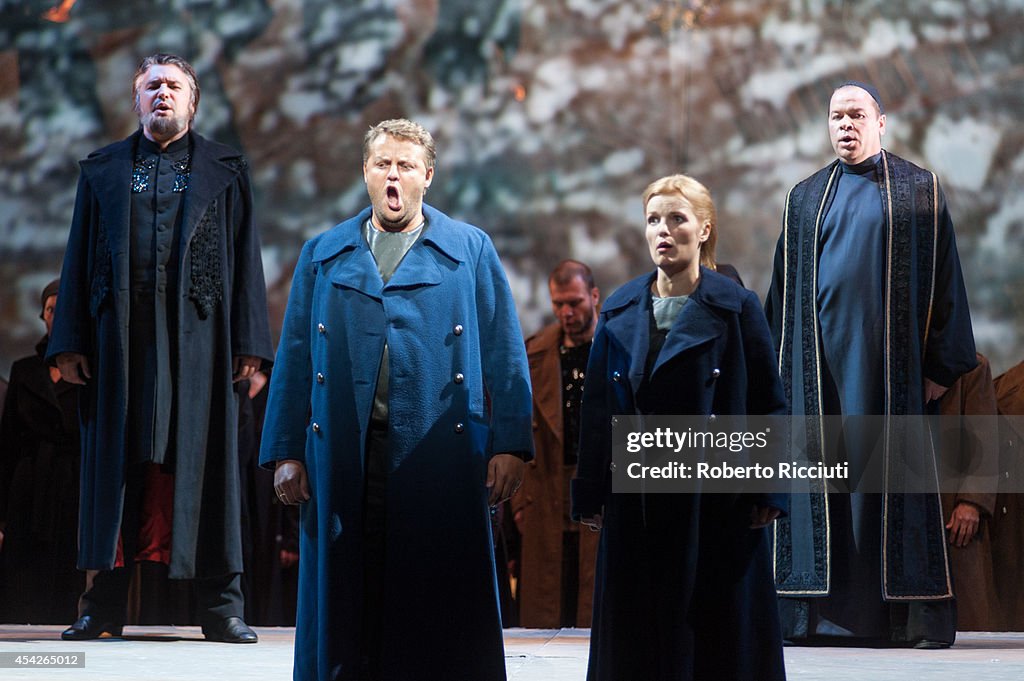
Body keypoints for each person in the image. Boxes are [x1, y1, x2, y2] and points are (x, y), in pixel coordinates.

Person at [260, 118, 533, 681]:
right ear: (365, 171)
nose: (393, 176)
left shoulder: (468, 249)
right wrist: (286, 450)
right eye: (382, 163)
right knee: (347, 593)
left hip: (438, 454)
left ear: (427, 176)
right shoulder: (324, 252)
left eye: (405, 166)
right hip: (344, 454)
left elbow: (506, 350)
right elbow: (292, 357)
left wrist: (510, 443)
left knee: (435, 601)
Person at [47, 53, 273, 643]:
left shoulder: (227, 169)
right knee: (118, 468)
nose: (163, 94)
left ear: (193, 103)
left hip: (201, 342)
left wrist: (250, 342)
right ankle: (102, 605)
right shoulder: (102, 171)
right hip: (119, 340)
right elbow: (76, 259)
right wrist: (68, 340)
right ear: (136, 100)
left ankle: (221, 606)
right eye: (153, 86)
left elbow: (248, 259)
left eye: (175, 86)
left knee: (201, 464)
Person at [766, 81, 977, 647]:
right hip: (820, 378)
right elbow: (781, 296)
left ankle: (902, 621)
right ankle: (814, 619)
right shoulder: (804, 198)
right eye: (836, 116)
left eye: (857, 115)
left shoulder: (918, 191)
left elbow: (947, 283)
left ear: (881, 122)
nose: (845, 125)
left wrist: (940, 365)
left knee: (885, 489)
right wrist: (780, 379)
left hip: (893, 379)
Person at [572, 174, 788, 681]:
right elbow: (599, 412)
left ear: (704, 228)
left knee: (713, 638)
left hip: (716, 502)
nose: (663, 231)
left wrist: (769, 489)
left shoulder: (737, 308)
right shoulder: (621, 309)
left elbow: (768, 405)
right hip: (636, 502)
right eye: (653, 220)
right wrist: (590, 494)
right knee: (638, 638)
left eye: (677, 219)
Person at [513, 259, 601, 628]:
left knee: (593, 600)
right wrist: (518, 503)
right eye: (559, 304)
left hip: (597, 483)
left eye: (575, 302)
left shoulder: (616, 348)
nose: (566, 312)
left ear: (594, 297)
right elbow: (515, 431)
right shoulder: (534, 353)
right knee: (546, 606)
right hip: (545, 488)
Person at [0, 280, 84, 623]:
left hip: (72, 483)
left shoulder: (88, 369)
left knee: (67, 568)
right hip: (29, 484)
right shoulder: (24, 369)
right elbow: (8, 444)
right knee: (24, 572)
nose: (56, 315)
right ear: (43, 316)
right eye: (50, 309)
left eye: (62, 309)